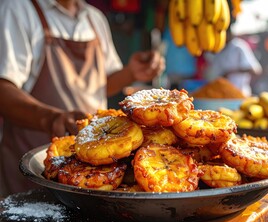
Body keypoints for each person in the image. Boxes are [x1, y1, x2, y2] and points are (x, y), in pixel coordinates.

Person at [0, 0, 165, 196]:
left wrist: (131, 73)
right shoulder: (18, 9)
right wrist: (52, 118)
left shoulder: (94, 18)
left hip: (95, 166)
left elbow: (103, 83)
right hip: (34, 160)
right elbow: (4, 89)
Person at [204, 26, 262, 97]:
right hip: (220, 96)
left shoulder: (238, 47)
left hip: (239, 94)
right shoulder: (216, 48)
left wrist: (230, 72)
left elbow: (256, 70)